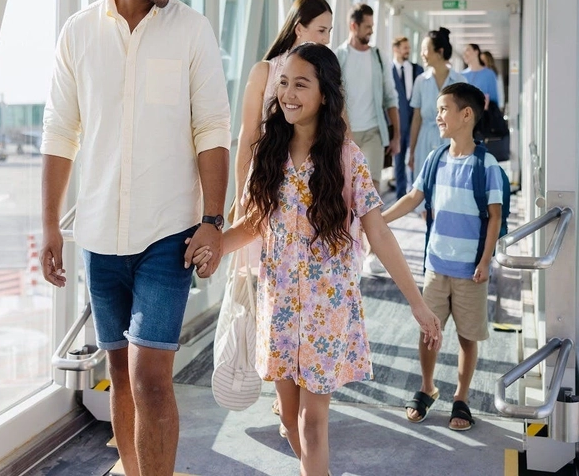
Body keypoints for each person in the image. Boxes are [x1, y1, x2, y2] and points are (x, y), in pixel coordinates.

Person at [39, 0, 231, 476]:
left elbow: (212, 131)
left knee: (151, 378)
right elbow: (59, 133)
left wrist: (213, 221)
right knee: (119, 373)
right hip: (99, 237)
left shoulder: (192, 31)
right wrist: (50, 222)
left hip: (167, 235)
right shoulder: (79, 32)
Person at [189, 43, 441, 476]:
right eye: (283, 83)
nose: (288, 93)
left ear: (325, 93)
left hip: (327, 309)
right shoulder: (269, 152)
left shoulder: (346, 158)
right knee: (288, 419)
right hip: (280, 305)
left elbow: (378, 232)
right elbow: (253, 224)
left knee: (312, 420)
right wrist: (213, 247)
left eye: (300, 84)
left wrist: (418, 304)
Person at [381, 82, 502, 432]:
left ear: (466, 115)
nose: (437, 116)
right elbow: (413, 197)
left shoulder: (486, 165)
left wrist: (484, 261)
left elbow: (494, 216)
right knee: (428, 331)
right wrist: (376, 221)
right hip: (436, 265)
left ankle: (461, 396)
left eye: (444, 109)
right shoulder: (435, 158)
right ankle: (427, 386)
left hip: (469, 271)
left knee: (467, 336)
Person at [234, 0, 333, 225]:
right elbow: (248, 136)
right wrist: (240, 201)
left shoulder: (327, 77)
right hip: (265, 187)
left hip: (313, 188)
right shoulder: (264, 72)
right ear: (299, 29)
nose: (327, 39)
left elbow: (340, 132)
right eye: (321, 30)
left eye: (329, 31)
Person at [333, 3, 399, 192]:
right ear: (354, 26)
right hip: (344, 133)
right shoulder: (338, 57)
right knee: (346, 190)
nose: (371, 31)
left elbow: (390, 97)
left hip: (373, 133)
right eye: (368, 27)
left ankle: (370, 223)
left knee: (371, 190)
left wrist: (396, 136)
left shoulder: (379, 57)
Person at [408, 28, 466, 176]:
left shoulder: (459, 81)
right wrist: (412, 151)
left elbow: (466, 119)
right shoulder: (420, 81)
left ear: (439, 52)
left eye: (425, 50)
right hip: (424, 142)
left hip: (451, 142)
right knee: (423, 189)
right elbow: (416, 118)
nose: (422, 54)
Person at [391, 36, 423, 198]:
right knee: (399, 158)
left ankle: (415, 193)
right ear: (395, 49)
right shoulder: (389, 71)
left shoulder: (417, 70)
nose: (408, 51)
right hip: (398, 121)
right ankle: (400, 195)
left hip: (415, 120)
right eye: (404, 47)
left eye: (408, 48)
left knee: (415, 156)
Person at [461, 43, 500, 108]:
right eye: (463, 52)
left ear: (476, 52)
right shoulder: (461, 75)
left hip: (484, 114)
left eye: (467, 50)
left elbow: (494, 99)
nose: (464, 54)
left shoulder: (489, 74)